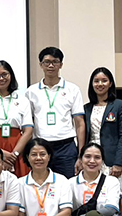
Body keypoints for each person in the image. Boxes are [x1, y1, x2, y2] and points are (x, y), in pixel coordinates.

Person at [25, 47, 85, 178]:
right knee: (41, 183)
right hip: (40, 146)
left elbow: (80, 123)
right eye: (46, 62)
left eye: (55, 62)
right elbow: (28, 124)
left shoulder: (72, 89)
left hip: (66, 147)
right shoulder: (31, 91)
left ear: (61, 64)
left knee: (68, 185)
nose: (51, 65)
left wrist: (81, 154)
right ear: (41, 65)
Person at [82, 68, 122, 176]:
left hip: (112, 160)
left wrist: (119, 162)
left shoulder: (120, 105)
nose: (100, 84)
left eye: (104, 80)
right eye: (96, 81)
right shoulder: (86, 108)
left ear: (110, 84)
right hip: (91, 159)